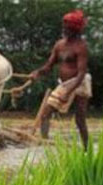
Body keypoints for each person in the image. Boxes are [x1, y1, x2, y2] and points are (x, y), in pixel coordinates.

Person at [29, 9, 91, 147]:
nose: (64, 30)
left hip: (79, 83)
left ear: (75, 30)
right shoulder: (59, 45)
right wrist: (37, 73)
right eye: (64, 27)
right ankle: (45, 144)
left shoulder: (81, 47)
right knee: (45, 114)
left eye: (67, 28)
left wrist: (68, 91)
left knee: (80, 119)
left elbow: (81, 74)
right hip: (64, 84)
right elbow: (49, 66)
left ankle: (87, 149)